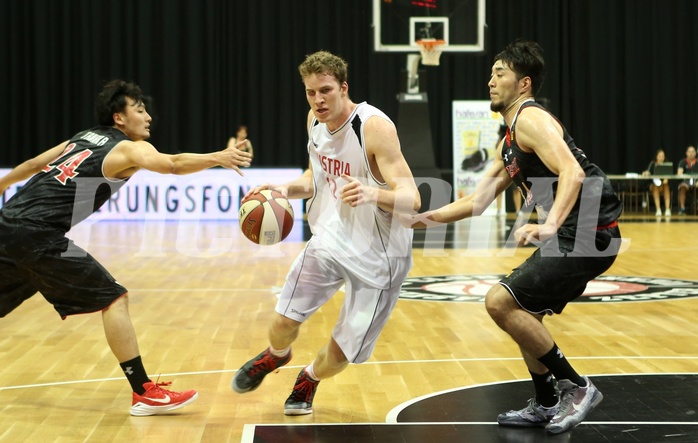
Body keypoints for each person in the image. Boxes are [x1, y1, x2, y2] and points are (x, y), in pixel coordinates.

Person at [0, 79, 252, 416]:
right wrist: (217, 157)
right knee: (114, 297)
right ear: (119, 118)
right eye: (140, 109)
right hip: (38, 234)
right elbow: (173, 164)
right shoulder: (127, 148)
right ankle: (144, 391)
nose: (148, 116)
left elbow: (32, 165)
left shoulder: (82, 137)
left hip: (8, 222)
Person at [409, 40, 623, 434]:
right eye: (491, 73)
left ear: (523, 84)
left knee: (500, 302)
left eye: (500, 73)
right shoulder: (509, 138)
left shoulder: (530, 119)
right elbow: (476, 202)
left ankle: (576, 388)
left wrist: (549, 225)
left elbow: (573, 173)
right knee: (526, 313)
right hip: (578, 232)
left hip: (589, 230)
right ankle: (545, 401)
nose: (490, 81)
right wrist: (415, 220)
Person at [231, 50, 420, 416]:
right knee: (282, 321)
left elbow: (412, 199)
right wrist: (286, 189)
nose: (318, 100)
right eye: (310, 92)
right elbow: (315, 178)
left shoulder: (373, 127)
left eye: (326, 91)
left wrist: (372, 194)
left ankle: (309, 377)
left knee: (341, 353)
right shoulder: (314, 123)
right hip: (331, 239)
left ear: (343, 88)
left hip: (380, 258)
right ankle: (276, 356)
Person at [641, 149, 672, 216]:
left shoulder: (667, 164)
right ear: (656, 157)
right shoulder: (653, 163)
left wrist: (666, 179)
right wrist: (645, 173)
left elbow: (669, 175)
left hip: (663, 185)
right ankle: (658, 209)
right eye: (660, 156)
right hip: (653, 185)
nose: (661, 157)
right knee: (655, 187)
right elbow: (648, 172)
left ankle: (667, 209)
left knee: (666, 187)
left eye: (663, 156)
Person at [676, 145, 697, 215]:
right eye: (689, 152)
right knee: (682, 187)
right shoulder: (683, 162)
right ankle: (682, 209)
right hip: (686, 182)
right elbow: (679, 173)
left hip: (696, 181)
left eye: (693, 152)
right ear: (686, 153)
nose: (691, 153)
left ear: (695, 153)